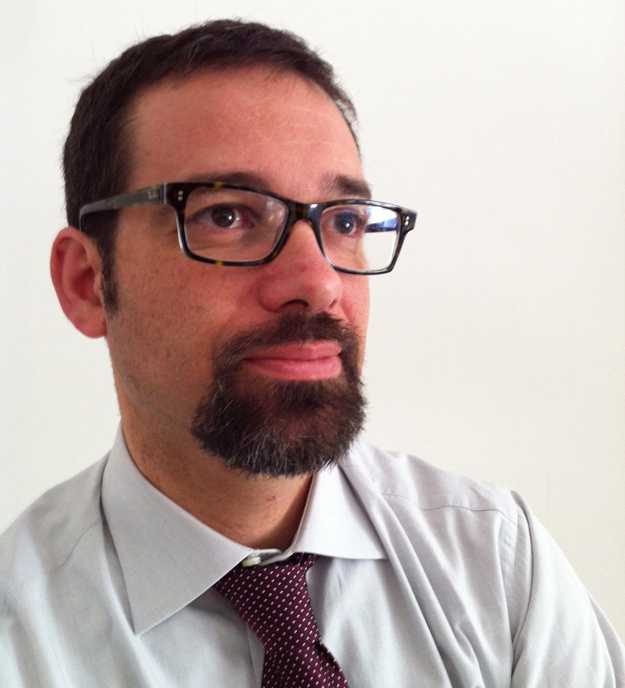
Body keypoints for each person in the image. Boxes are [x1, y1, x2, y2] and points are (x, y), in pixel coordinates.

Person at [1, 19, 623, 688]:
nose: (319, 283)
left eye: (344, 221)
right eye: (226, 215)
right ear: (87, 282)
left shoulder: (499, 571)